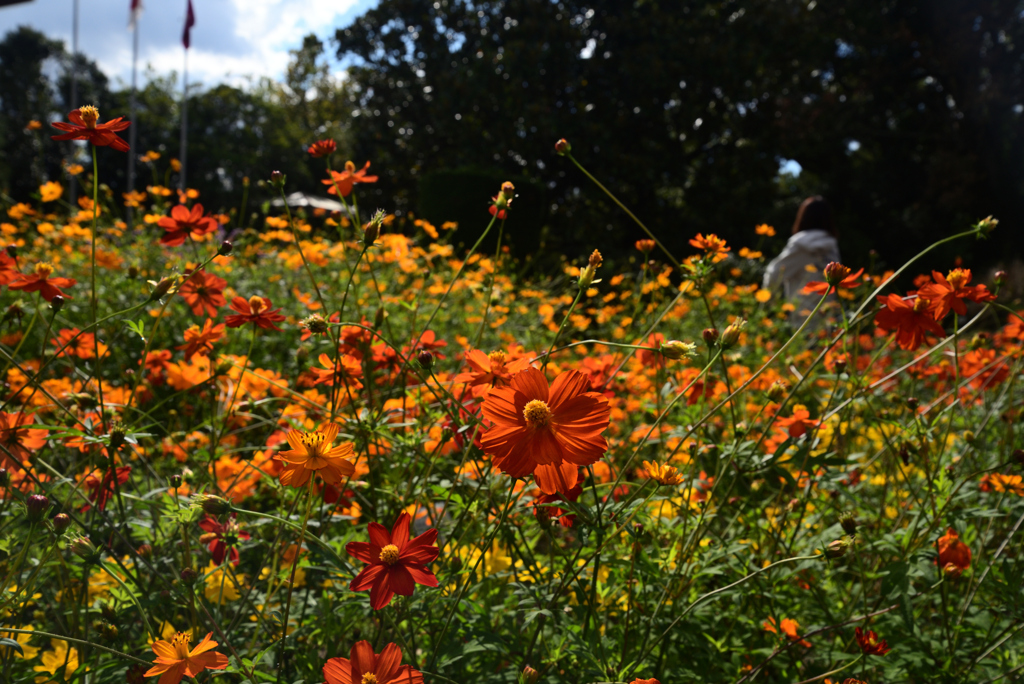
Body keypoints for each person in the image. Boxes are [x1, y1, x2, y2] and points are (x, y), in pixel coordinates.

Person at [763, 196, 841, 325]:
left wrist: (770, 305)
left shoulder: (800, 244)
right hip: (828, 320)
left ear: (803, 217)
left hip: (802, 321)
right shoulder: (832, 245)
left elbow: (774, 273)